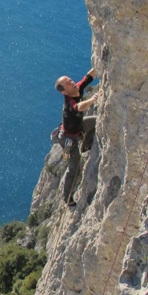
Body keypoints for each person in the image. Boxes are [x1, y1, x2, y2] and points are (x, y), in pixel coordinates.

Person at [55, 68, 99, 207]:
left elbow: (89, 77)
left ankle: (87, 145)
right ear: (64, 92)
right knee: (74, 169)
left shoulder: (77, 88)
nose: (72, 82)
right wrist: (92, 100)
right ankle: (67, 198)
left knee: (99, 121)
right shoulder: (70, 102)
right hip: (69, 139)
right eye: (68, 83)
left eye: (70, 80)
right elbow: (79, 107)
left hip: (79, 128)